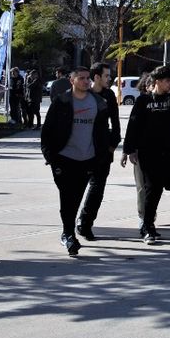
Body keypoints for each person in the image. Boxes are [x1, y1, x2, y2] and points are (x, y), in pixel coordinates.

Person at [41, 66, 113, 256]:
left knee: (76, 197)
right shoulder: (61, 101)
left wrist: (102, 155)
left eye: (87, 78)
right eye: (81, 78)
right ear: (72, 80)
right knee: (67, 197)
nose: (85, 81)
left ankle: (68, 232)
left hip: (87, 159)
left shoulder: (98, 102)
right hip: (64, 159)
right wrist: (50, 157)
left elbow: (103, 132)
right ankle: (69, 233)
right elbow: (47, 131)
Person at [121, 66, 170, 244]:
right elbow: (133, 126)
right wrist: (129, 150)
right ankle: (147, 227)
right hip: (148, 152)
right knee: (151, 188)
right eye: (167, 81)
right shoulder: (143, 101)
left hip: (168, 151)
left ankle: (148, 224)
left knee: (163, 187)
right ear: (157, 81)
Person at [75, 63, 123, 241]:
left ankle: (85, 223)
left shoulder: (109, 95)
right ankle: (69, 225)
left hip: (102, 150)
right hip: (81, 150)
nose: (109, 79)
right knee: (77, 188)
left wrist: (112, 146)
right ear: (96, 77)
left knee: (97, 188)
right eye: (106, 76)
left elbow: (116, 124)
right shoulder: (82, 94)